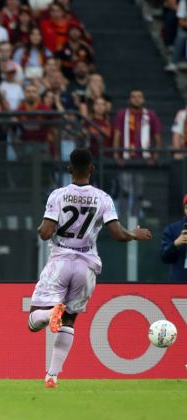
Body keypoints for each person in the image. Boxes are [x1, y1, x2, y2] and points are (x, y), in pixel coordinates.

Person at [31, 148, 152, 388]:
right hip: (86, 265)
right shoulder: (103, 198)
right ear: (92, 169)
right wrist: (134, 234)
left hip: (61, 260)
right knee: (69, 320)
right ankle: (52, 375)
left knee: (35, 319)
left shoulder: (58, 195)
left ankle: (49, 313)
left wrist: (42, 228)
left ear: (69, 170)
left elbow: (45, 233)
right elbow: (117, 234)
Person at [160, 195, 187, 282]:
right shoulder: (173, 229)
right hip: (179, 283)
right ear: (185, 210)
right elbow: (164, 256)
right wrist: (175, 244)